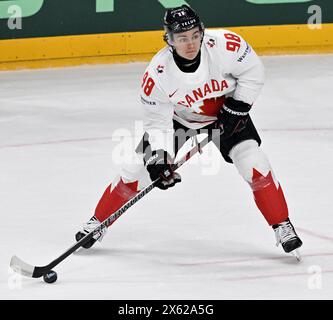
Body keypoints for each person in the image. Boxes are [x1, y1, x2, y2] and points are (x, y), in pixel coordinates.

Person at [76, 5, 302, 256]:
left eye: (195, 35)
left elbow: (253, 72)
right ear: (169, 40)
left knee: (254, 163)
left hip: (227, 115)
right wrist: (158, 160)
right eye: (182, 38)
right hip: (179, 120)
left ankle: (282, 225)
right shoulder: (157, 74)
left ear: (202, 32)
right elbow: (157, 124)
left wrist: (237, 107)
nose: (190, 43)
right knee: (135, 169)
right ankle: (97, 223)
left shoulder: (225, 45)